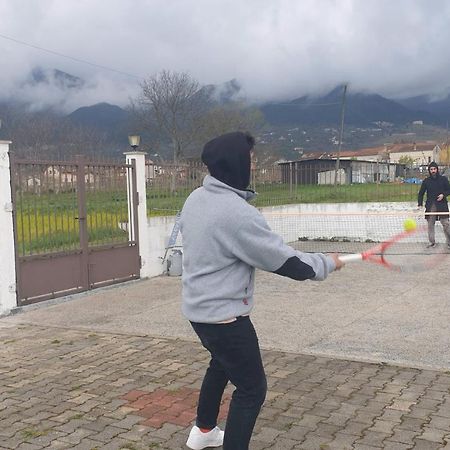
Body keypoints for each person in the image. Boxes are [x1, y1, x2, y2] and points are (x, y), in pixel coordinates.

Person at [180, 131, 344, 450]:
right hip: (226, 318)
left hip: (198, 312)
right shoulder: (237, 214)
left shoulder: (195, 198)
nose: (253, 165)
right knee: (252, 388)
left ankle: (203, 430)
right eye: (250, 159)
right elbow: (285, 261)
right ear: (236, 165)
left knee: (221, 363)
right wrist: (327, 263)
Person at [417, 161, 450, 248]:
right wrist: (419, 204)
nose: (433, 171)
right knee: (430, 224)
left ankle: (449, 242)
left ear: (437, 169)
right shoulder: (426, 181)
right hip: (430, 205)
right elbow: (421, 193)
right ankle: (432, 242)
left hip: (442, 205)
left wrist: (443, 195)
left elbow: (448, 190)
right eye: (431, 169)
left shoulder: (443, 179)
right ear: (429, 171)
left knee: (446, 224)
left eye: (434, 169)